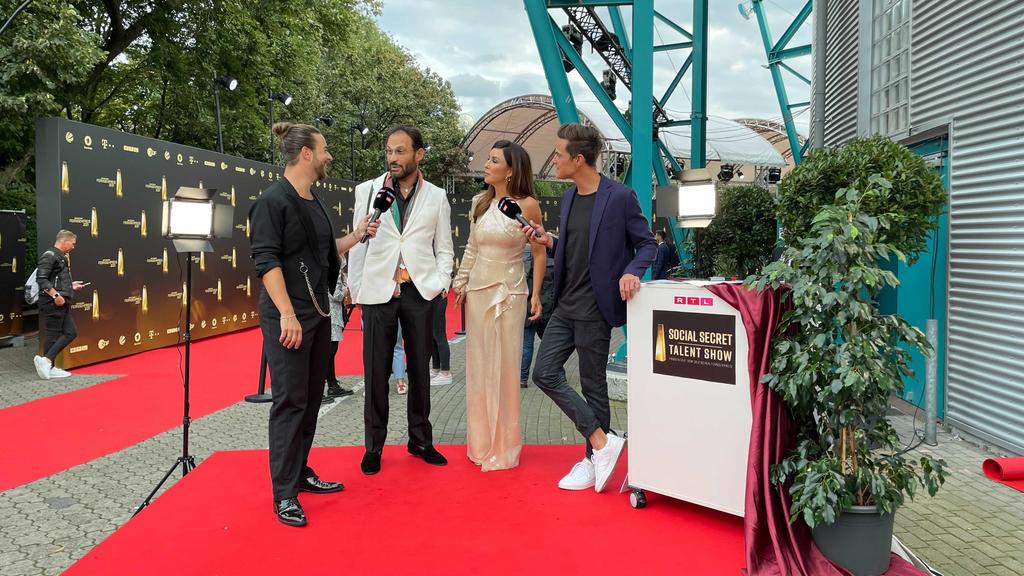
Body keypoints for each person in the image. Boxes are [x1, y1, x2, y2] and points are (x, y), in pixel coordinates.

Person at [249, 122, 378, 527]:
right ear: (306, 153)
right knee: (289, 403)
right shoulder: (273, 201)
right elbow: (266, 262)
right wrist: (287, 313)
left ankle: (300, 472)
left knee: (309, 401)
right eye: (324, 150)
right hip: (289, 316)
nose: (329, 156)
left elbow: (326, 251)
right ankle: (283, 492)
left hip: (319, 314)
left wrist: (357, 235)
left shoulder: (313, 200)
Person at [522, 123, 656, 493]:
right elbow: (573, 245)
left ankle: (591, 459)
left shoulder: (619, 197)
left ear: (578, 159)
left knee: (593, 384)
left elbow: (647, 245)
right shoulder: (567, 199)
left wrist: (631, 272)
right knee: (544, 373)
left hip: (597, 306)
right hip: (565, 304)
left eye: (559, 154)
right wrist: (548, 240)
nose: (555, 159)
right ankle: (602, 441)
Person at [348, 125, 454, 475]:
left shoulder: (437, 196)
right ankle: (374, 446)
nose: (392, 158)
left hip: (420, 293)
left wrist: (440, 283)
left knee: (419, 371)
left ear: (419, 154)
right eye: (389, 151)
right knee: (376, 372)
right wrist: (357, 290)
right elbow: (358, 247)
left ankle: (420, 440)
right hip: (379, 293)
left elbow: (444, 248)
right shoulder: (367, 191)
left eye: (400, 151)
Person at [453, 140, 544, 471]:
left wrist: (535, 294)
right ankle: (480, 443)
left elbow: (538, 251)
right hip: (478, 292)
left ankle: (504, 445)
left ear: (511, 169)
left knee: (505, 369)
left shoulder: (528, 206)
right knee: (479, 368)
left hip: (511, 293)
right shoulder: (479, 202)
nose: (487, 165)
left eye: (494, 161)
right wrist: (460, 283)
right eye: (488, 160)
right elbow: (472, 249)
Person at [33, 229, 87, 380]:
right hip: (52, 302)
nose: (74, 247)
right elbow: (42, 279)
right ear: (64, 241)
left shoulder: (60, 256)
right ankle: (48, 364)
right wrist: (56, 295)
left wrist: (71, 286)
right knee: (53, 333)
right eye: (73, 243)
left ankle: (48, 362)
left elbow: (56, 278)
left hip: (61, 300)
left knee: (70, 332)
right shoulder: (49, 256)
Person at [520, 246, 562, 388]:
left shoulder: (526, 258)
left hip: (529, 307)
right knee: (551, 345)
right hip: (547, 308)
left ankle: (522, 378)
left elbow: (522, 283)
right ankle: (559, 374)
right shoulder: (556, 262)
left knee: (527, 345)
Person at [325, 260, 354, 399]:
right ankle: (331, 386)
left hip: (330, 315)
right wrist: (346, 284)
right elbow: (337, 295)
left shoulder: (331, 270)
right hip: (332, 316)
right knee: (329, 353)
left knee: (329, 353)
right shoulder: (335, 272)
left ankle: (332, 383)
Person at [429, 288, 452, 386]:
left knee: (439, 334)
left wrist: (445, 287)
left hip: (439, 294)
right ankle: (436, 368)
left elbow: (446, 272)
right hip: (430, 295)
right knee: (432, 334)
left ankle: (445, 372)